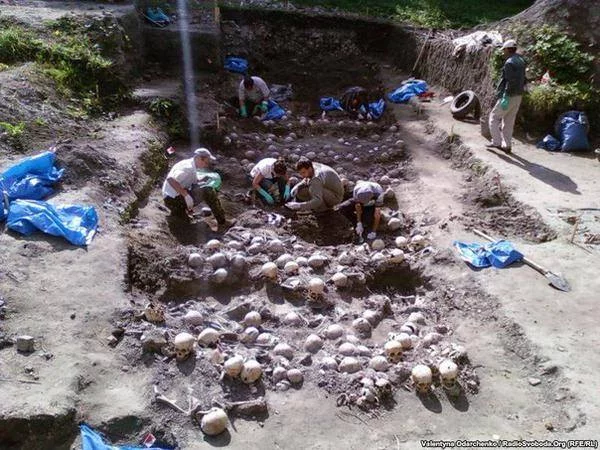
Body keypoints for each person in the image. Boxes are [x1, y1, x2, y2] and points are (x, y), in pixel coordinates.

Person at [162, 148, 235, 231]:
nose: (206, 165)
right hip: (172, 200)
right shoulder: (187, 167)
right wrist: (186, 195)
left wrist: (203, 180)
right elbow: (170, 179)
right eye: (206, 162)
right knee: (208, 191)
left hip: (172, 199)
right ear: (199, 158)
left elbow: (192, 182)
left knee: (184, 220)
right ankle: (222, 222)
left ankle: (181, 213)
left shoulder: (190, 164)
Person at [487, 39, 526, 154]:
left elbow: (510, 81)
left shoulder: (509, 62)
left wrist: (505, 96)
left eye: (504, 50)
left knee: (494, 118)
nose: (503, 52)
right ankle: (507, 145)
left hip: (509, 95)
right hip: (518, 95)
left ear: (508, 50)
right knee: (509, 121)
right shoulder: (521, 60)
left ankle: (496, 142)